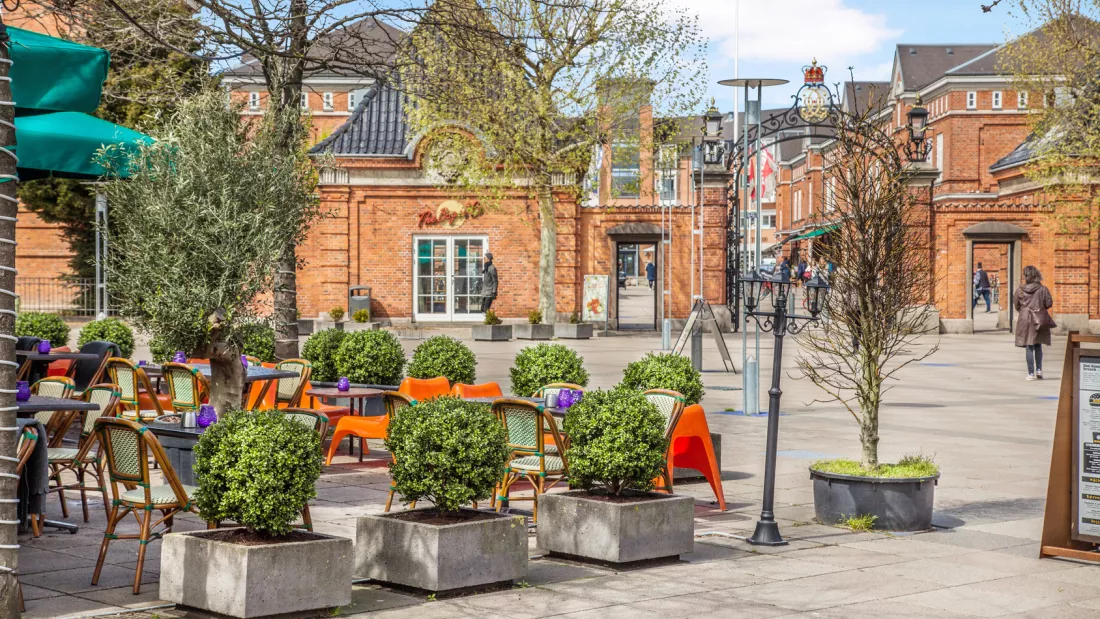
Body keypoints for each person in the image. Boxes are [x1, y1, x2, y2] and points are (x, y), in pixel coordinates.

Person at [1014, 265, 1054, 381]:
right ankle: (1039, 370)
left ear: (1026, 276)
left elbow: (1016, 304)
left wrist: (1023, 311)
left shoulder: (1020, 290)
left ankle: (1030, 373)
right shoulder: (1043, 289)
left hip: (1025, 319)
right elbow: (1048, 303)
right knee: (1038, 345)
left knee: (1029, 346)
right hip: (1039, 318)